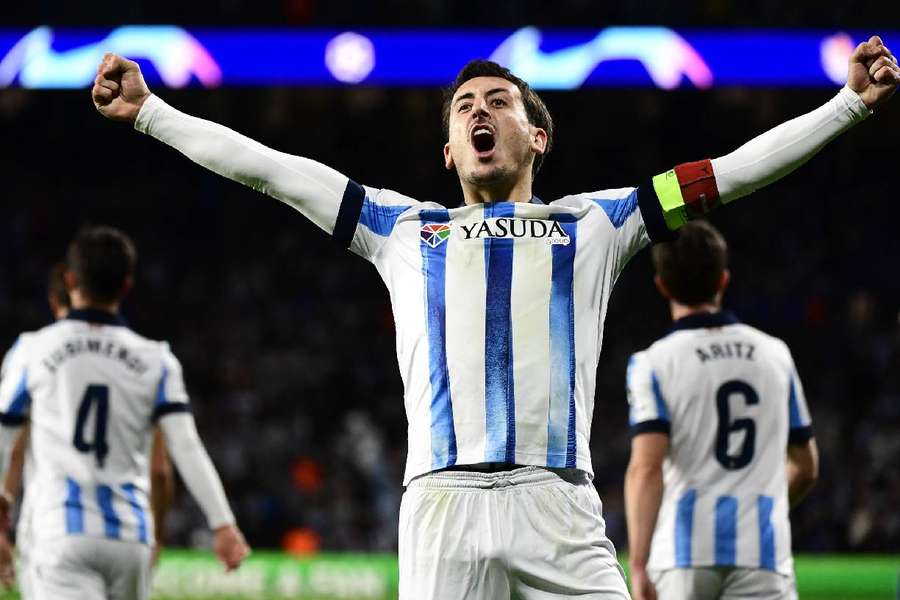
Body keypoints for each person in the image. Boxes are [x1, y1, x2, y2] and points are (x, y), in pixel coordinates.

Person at [90, 36, 897, 599]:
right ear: (448, 150)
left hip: (559, 505)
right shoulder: (401, 228)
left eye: (499, 102)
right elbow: (273, 171)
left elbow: (729, 174)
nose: (479, 112)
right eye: (464, 106)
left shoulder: (599, 223)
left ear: (536, 136)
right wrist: (153, 112)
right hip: (441, 502)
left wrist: (848, 107)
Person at [0, 226, 250, 600]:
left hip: (59, 534)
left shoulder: (33, 351)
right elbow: (186, 448)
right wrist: (223, 523)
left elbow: (4, 439)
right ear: (127, 286)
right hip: (130, 538)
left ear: (70, 280)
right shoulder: (157, 360)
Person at [623, 221, 818, 600]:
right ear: (723, 281)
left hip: (683, 558)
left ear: (661, 285)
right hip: (763, 556)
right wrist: (764, 506)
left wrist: (638, 563)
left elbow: (646, 468)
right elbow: (806, 467)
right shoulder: (774, 354)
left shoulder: (654, 363)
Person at [0, 262, 176, 591]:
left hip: (54, 531)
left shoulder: (41, 362)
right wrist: (156, 534)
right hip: (128, 531)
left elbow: (14, 449)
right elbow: (161, 471)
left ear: (56, 301)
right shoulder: (143, 367)